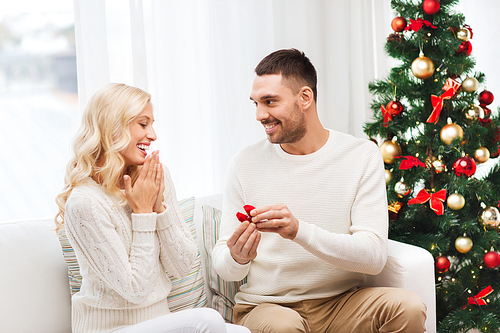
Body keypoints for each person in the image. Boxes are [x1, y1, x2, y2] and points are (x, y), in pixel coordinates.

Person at [212, 49, 427, 333]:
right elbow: (225, 267)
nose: (259, 115)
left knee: (408, 307)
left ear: (305, 98)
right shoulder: (244, 164)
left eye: (269, 102)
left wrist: (298, 231)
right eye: (255, 103)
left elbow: (374, 257)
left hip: (343, 303)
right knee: (284, 326)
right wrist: (237, 256)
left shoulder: (360, 155)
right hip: (269, 307)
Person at [55, 83, 250, 333]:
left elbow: (182, 266)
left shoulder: (155, 176)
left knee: (241, 332)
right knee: (209, 321)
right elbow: (135, 290)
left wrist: (160, 209)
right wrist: (143, 214)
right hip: (110, 328)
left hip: (159, 322)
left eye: (152, 124)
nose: (153, 135)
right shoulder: (85, 203)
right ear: (113, 128)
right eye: (143, 124)